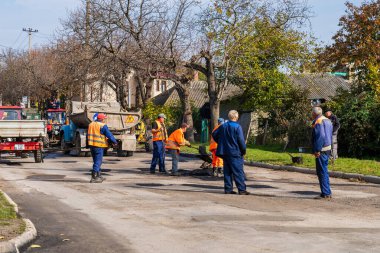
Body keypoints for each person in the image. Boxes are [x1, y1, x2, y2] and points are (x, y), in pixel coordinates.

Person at [212, 110, 250, 195]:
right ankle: (241, 189)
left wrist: (221, 142)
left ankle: (228, 189)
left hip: (225, 152)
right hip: (235, 152)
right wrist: (243, 150)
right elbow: (241, 140)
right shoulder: (237, 127)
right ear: (236, 117)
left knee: (227, 171)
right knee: (238, 171)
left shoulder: (223, 126)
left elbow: (214, 134)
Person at [87, 113, 118, 183]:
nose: (105, 120)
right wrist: (115, 142)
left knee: (95, 161)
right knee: (98, 161)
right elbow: (109, 135)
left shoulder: (91, 124)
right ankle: (94, 177)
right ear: (102, 119)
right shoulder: (102, 126)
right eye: (104, 118)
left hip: (92, 144)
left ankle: (98, 175)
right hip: (99, 145)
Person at [312, 107, 333, 199]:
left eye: (312, 113)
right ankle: (326, 191)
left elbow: (320, 136)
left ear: (314, 114)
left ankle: (325, 193)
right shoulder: (327, 120)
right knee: (324, 170)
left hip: (322, 149)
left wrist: (317, 150)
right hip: (328, 148)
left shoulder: (318, 121)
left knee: (321, 171)